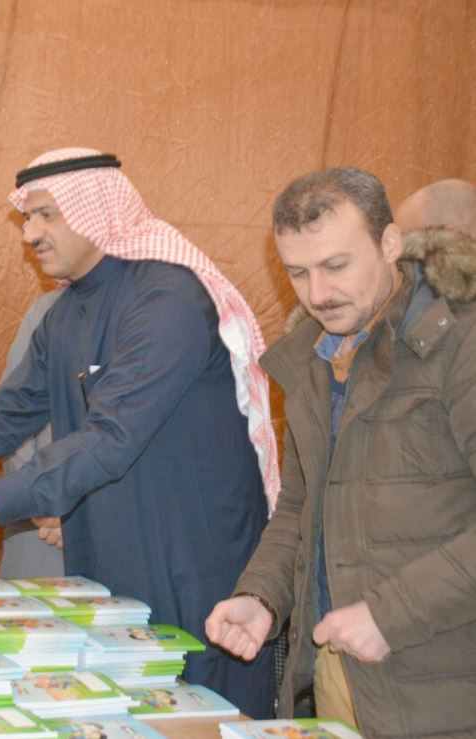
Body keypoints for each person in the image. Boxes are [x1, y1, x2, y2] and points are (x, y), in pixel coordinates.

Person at [0, 148, 279, 717]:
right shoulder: (65, 312)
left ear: (96, 209)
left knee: (193, 710)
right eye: (27, 217)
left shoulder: (168, 299)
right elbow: (2, 417)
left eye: (47, 215)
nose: (30, 233)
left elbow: (109, 438)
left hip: (191, 558)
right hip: (108, 551)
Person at [206, 169, 476, 736]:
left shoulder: (460, 342)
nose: (317, 294)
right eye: (298, 272)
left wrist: (389, 616)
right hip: (338, 673)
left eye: (336, 265)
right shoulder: (311, 358)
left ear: (390, 243)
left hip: (446, 682)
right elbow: (301, 507)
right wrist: (263, 596)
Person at [0, 288, 66, 579]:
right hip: (39, 532)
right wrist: (45, 503)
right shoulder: (47, 309)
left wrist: (86, 515)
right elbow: (13, 419)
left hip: (123, 536)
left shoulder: (161, 308)